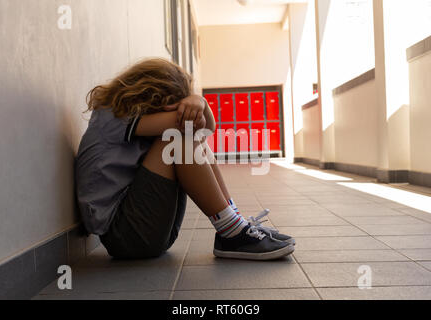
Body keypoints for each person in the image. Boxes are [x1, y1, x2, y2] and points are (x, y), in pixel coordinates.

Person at [75, 58, 295, 261]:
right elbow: (199, 127)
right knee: (179, 138)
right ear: (154, 97)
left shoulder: (133, 119)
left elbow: (205, 132)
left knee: (192, 137)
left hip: (145, 230)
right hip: (125, 236)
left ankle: (234, 224)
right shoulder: (113, 116)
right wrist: (196, 103)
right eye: (174, 105)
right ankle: (232, 232)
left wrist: (201, 102)